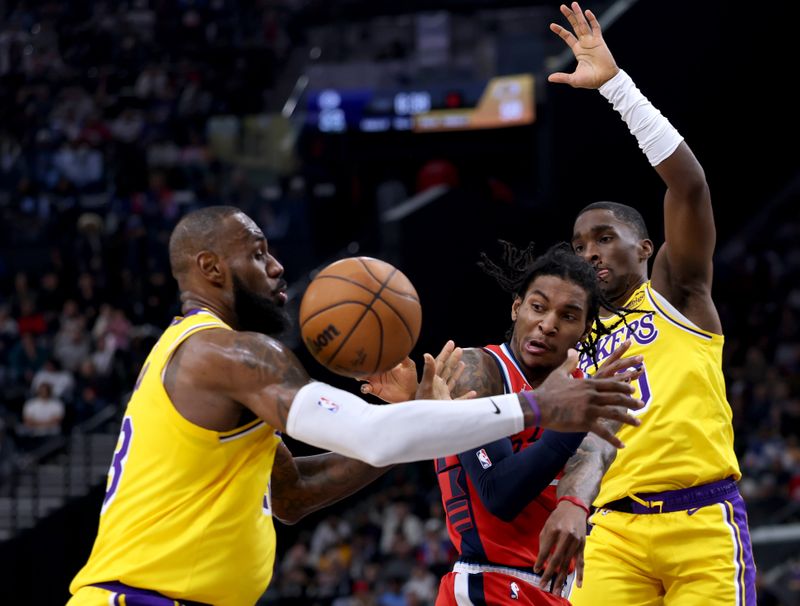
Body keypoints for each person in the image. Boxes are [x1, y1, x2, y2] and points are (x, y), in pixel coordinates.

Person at [67, 205, 643, 606]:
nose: (278, 267)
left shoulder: (197, 355)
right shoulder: (231, 353)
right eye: (259, 253)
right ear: (211, 269)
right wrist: (541, 410)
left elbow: (292, 496)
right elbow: (372, 434)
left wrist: (417, 423)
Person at [533, 4, 756, 605]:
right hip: (613, 532)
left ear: (646, 246)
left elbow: (689, 187)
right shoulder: (574, 340)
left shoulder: (679, 294)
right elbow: (578, 439)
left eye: (604, 237)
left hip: (700, 521)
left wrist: (615, 87)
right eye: (579, 244)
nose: (590, 251)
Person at [362, 241, 642, 605]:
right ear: (516, 308)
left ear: (587, 329)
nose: (548, 324)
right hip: (488, 584)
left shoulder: (580, 391)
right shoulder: (479, 371)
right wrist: (574, 423)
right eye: (537, 307)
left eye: (568, 316)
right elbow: (499, 493)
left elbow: (589, 466)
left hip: (556, 592)